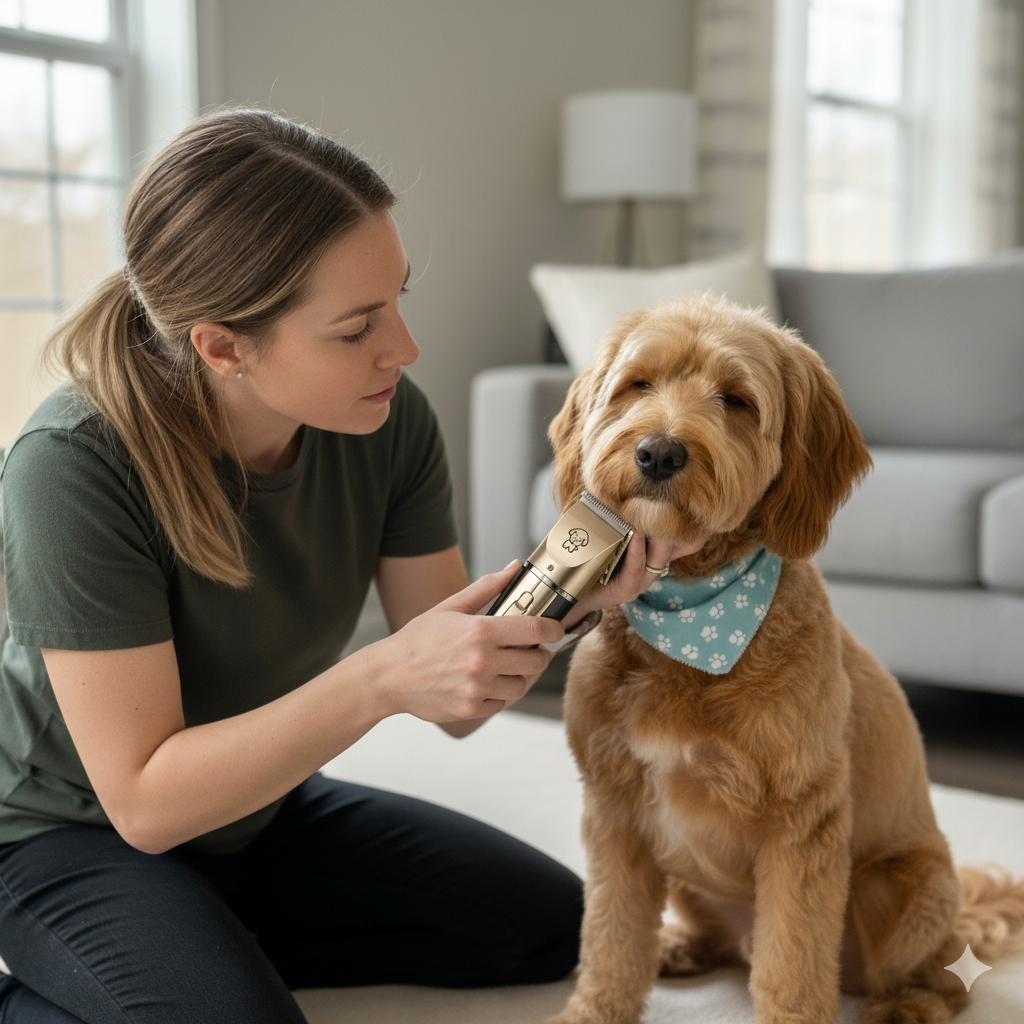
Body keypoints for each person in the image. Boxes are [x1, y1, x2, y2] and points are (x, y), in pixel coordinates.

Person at [0, 109, 689, 1023]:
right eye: (358, 326)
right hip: (70, 830)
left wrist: (576, 602)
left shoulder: (388, 420)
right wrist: (378, 680)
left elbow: (457, 702)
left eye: (397, 299)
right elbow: (146, 803)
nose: (404, 348)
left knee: (548, 925)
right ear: (222, 346)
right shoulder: (71, 466)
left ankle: (193, 948)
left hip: (256, 807)